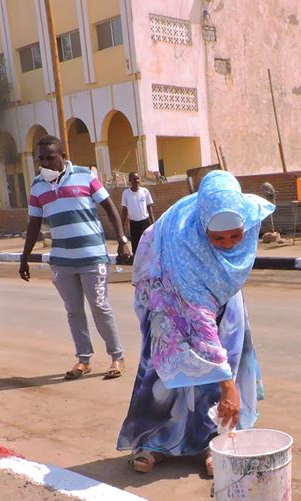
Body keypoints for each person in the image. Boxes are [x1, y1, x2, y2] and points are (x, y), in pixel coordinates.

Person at [117, 170, 274, 474]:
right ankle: (155, 440)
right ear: (203, 228)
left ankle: (214, 441)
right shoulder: (183, 243)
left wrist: (227, 383)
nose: (229, 245)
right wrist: (228, 385)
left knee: (226, 353)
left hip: (225, 296)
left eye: (235, 236)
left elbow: (232, 253)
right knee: (169, 364)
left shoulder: (246, 214)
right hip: (171, 292)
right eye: (218, 238)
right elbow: (201, 327)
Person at [20, 135, 130, 381]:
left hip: (92, 256)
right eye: (41, 158)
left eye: (50, 157)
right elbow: (34, 223)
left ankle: (116, 356)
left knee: (100, 307)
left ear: (62, 156)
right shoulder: (37, 185)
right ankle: (84, 360)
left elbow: (110, 206)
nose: (45, 162)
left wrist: (122, 240)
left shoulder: (85, 175)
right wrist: (24, 257)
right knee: (74, 311)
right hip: (62, 260)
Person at [120, 171, 155, 256]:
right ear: (130, 180)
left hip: (145, 222)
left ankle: (148, 264)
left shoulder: (145, 191)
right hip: (133, 224)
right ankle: (136, 265)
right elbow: (124, 210)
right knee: (135, 245)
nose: (136, 180)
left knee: (147, 244)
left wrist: (153, 223)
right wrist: (121, 226)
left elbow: (149, 207)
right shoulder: (126, 193)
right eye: (134, 179)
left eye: (138, 178)